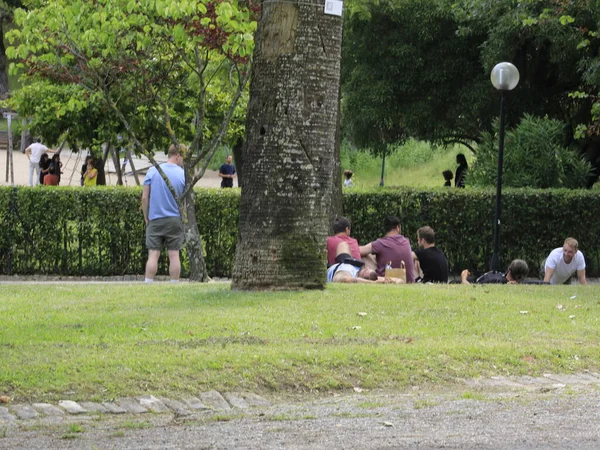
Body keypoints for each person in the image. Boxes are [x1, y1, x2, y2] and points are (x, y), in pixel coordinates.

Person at [142, 144, 186, 283]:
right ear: (178, 156)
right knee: (174, 255)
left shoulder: (153, 171)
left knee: (153, 254)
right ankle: (174, 284)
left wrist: (146, 217)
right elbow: (185, 201)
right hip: (174, 219)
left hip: (155, 218)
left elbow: (144, 197)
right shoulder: (183, 174)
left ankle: (148, 282)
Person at [360, 215, 416, 282]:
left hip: (387, 280)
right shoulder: (406, 241)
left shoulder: (381, 243)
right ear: (398, 227)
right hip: (409, 281)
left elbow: (359, 251)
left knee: (367, 256)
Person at [327, 242, 404, 284]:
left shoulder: (346, 273)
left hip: (335, 268)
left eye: (365, 271)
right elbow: (400, 280)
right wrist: (390, 281)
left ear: (361, 278)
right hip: (348, 262)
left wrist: (371, 283)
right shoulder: (361, 271)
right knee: (343, 244)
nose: (366, 268)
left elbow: (345, 279)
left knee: (342, 244)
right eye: (368, 269)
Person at [461, 259, 529, 284]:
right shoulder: (501, 277)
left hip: (471, 281)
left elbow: (472, 289)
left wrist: (463, 278)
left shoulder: (496, 281)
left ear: (509, 269)